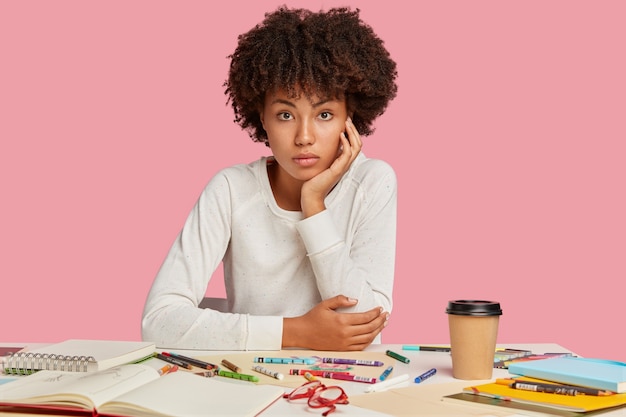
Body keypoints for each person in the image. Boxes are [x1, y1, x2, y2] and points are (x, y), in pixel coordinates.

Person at [141, 6, 398, 351]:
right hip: (252, 382)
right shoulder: (232, 190)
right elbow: (159, 320)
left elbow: (365, 325)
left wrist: (315, 207)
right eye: (285, 114)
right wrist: (296, 332)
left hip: (345, 384)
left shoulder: (371, 183)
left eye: (324, 114)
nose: (304, 136)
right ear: (261, 116)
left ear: (349, 117)